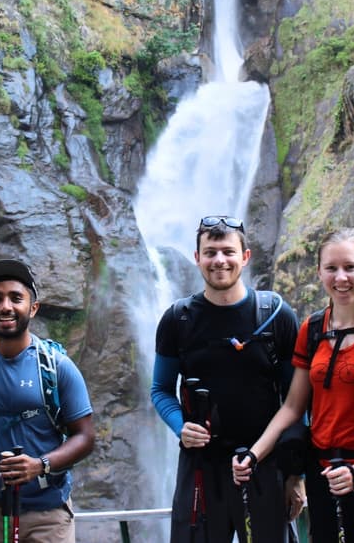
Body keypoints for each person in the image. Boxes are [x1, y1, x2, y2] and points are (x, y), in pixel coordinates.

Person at [233, 227, 354, 542]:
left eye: (350, 267)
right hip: (323, 474)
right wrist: (254, 455)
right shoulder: (312, 329)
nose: (341, 277)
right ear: (319, 272)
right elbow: (293, 406)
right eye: (331, 268)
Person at [151, 215, 303, 543]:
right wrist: (181, 426)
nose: (219, 260)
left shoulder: (277, 315)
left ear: (245, 257)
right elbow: (161, 389)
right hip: (201, 466)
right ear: (197, 258)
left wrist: (296, 474)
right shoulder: (178, 319)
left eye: (228, 251)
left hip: (263, 461)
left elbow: (297, 401)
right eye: (210, 252)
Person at [0, 258, 95, 542]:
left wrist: (40, 464)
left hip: (49, 511)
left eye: (15, 298)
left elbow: (86, 437)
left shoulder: (57, 367)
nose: (5, 306)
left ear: (33, 308)